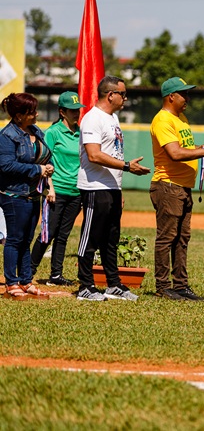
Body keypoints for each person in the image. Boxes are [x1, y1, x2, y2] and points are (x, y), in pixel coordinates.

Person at [150, 77, 204, 301]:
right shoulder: (163, 120)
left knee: (182, 238)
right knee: (167, 238)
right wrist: (203, 153)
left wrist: (201, 147)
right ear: (171, 96)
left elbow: (184, 148)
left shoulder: (180, 118)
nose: (187, 98)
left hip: (182, 187)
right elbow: (175, 153)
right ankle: (163, 287)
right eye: (184, 94)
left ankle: (181, 286)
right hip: (168, 186)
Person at [76, 76, 151, 301]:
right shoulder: (92, 118)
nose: (125, 98)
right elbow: (94, 154)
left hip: (111, 187)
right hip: (94, 187)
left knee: (111, 239)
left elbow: (112, 152)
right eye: (123, 94)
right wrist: (128, 166)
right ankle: (85, 287)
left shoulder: (114, 118)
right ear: (110, 95)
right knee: (90, 237)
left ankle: (113, 284)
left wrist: (119, 188)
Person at [0, 93, 54, 299]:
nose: (37, 114)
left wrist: (48, 171)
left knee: (27, 238)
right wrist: (37, 170)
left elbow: (46, 155)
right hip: (14, 195)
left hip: (33, 194)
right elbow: (6, 165)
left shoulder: (35, 131)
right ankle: (11, 283)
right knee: (14, 239)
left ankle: (25, 281)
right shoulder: (7, 136)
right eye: (32, 112)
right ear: (19, 115)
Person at [30, 91, 85, 286]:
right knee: (47, 233)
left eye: (78, 110)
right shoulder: (53, 132)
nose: (76, 114)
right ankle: (29, 271)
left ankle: (56, 275)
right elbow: (45, 161)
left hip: (76, 192)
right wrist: (49, 189)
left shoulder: (81, 133)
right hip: (57, 191)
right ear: (62, 111)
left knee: (63, 235)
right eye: (72, 110)